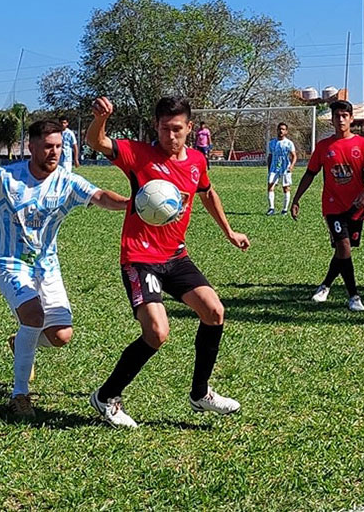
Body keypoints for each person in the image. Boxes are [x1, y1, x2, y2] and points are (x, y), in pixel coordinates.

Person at [0, 119, 130, 419]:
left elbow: (101, 197)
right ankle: (19, 396)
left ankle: (21, 342)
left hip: (47, 266)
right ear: (31, 147)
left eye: (58, 146)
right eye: (47, 147)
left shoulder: (67, 181)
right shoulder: (6, 177)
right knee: (33, 316)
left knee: (61, 335)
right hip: (10, 261)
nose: (53, 153)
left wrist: (132, 204)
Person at [86, 95, 250, 429]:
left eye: (177, 129)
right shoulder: (139, 154)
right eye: (164, 128)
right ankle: (106, 396)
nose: (170, 136)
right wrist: (101, 118)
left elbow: (207, 193)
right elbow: (96, 141)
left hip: (175, 256)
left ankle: (201, 393)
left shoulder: (196, 162)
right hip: (139, 258)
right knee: (158, 333)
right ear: (156, 127)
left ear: (190, 128)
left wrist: (229, 231)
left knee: (214, 311)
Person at [290, 100, 364, 312]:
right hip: (332, 207)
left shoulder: (363, 145)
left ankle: (325, 286)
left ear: (351, 119)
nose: (340, 119)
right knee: (343, 246)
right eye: (336, 116)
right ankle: (353, 296)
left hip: (355, 206)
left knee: (343, 251)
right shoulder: (323, 146)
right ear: (332, 119)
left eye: (344, 116)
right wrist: (296, 198)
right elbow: (310, 173)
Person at [265, 122, 297, 215]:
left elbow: (294, 156)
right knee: (270, 186)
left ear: (286, 131)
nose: (281, 131)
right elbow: (270, 156)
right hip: (274, 168)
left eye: (283, 129)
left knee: (286, 188)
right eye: (279, 129)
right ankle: (271, 208)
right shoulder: (272, 143)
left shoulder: (289, 143)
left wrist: (291, 166)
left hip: (285, 168)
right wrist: (269, 168)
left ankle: (285, 209)